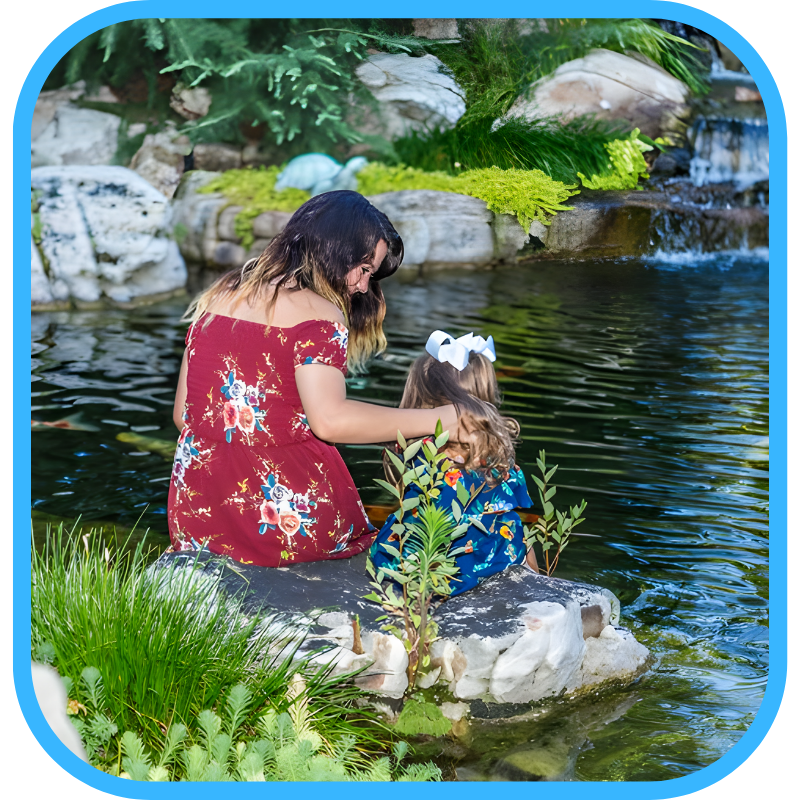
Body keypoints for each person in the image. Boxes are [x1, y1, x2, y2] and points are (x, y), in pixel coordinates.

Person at [168, 191, 458, 567]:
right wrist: (444, 419)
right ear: (335, 250)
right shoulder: (319, 316)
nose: (363, 286)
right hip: (288, 525)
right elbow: (330, 421)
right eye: (365, 270)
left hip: (199, 514)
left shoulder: (219, 295)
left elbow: (184, 417)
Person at [369, 330, 539, 596]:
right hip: (492, 557)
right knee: (515, 530)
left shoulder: (418, 452)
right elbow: (512, 512)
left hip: (429, 558)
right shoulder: (497, 457)